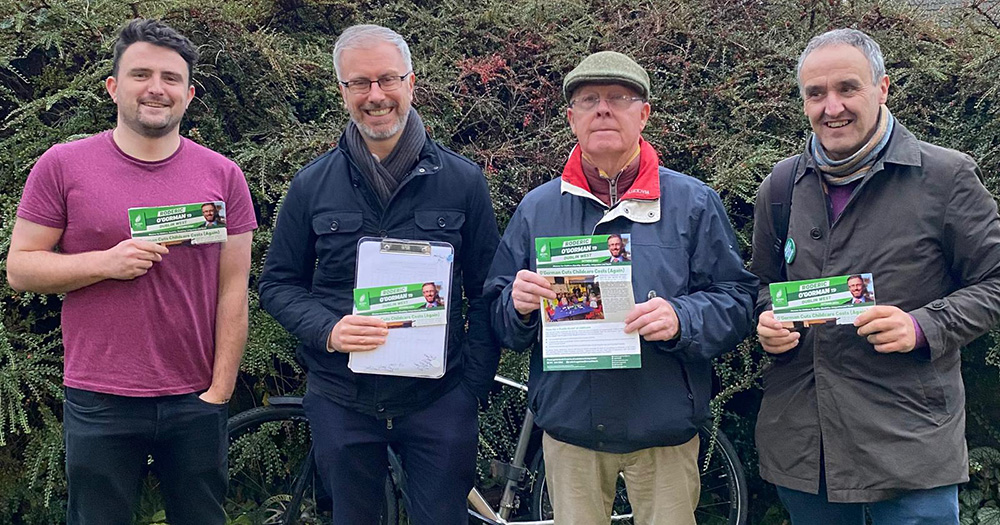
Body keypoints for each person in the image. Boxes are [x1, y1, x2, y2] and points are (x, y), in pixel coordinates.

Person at [485, 51, 757, 525]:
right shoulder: (537, 209)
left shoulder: (693, 203)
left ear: (644, 113)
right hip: (571, 434)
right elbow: (500, 317)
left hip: (664, 433)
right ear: (571, 118)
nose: (603, 110)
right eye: (589, 100)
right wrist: (518, 306)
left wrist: (682, 319)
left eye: (619, 98)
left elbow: (738, 299)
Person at [6, 19, 256, 525]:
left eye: (170, 77)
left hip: (195, 396)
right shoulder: (62, 165)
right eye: (141, 74)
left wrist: (220, 391)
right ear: (114, 87)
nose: (156, 88)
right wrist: (106, 262)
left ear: (188, 94)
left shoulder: (223, 175)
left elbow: (233, 290)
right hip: (100, 396)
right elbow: (21, 268)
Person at [751, 28, 1000, 525]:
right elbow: (758, 285)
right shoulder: (781, 186)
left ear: (882, 88)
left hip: (909, 444)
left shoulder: (945, 177)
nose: (832, 107)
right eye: (816, 94)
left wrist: (922, 327)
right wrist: (766, 320)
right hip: (807, 443)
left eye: (848, 88)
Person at [257, 24, 500, 525]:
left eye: (388, 79)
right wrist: (327, 330)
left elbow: (486, 290)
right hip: (342, 400)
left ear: (411, 83)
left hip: (438, 401)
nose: (376, 96)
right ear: (342, 91)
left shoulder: (462, 181)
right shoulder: (311, 185)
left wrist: (471, 386)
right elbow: (277, 284)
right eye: (359, 83)